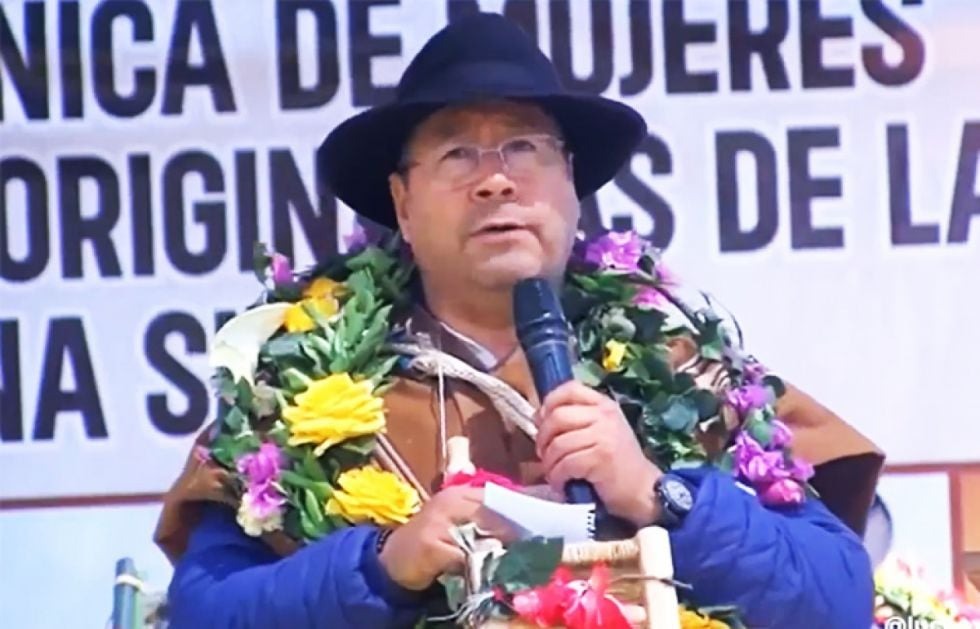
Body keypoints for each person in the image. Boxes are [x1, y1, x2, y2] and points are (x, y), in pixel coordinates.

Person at [160, 13, 884, 628]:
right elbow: (206, 610)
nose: (497, 179)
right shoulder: (297, 393)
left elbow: (838, 597)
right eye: (457, 153)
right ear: (403, 204)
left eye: (525, 147)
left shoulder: (681, 364)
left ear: (571, 182)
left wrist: (658, 495)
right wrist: (380, 566)